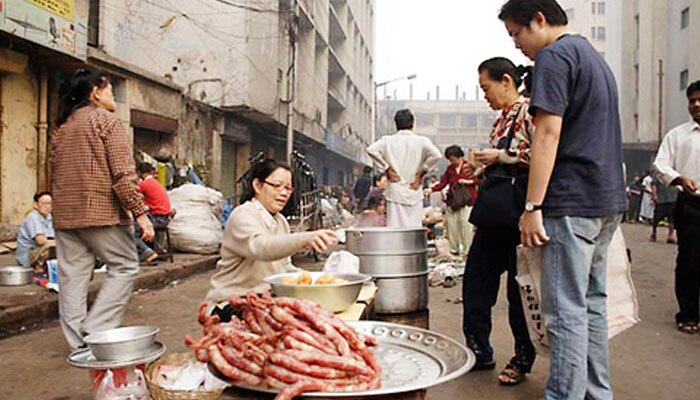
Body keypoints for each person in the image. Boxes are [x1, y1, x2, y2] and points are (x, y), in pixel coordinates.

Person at [499, 1, 627, 398]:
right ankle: (596, 394)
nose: (517, 45)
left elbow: (548, 134)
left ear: (539, 20)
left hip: (570, 202)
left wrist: (532, 207)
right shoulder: (592, 57)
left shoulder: (554, 57)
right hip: (605, 200)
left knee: (565, 312)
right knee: (591, 305)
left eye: (517, 33)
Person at [51, 68, 154, 351]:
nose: (113, 96)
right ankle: (96, 332)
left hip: (65, 215)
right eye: (109, 89)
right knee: (125, 266)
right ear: (95, 92)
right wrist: (141, 213)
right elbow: (123, 175)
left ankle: (77, 344)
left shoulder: (62, 129)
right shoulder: (107, 122)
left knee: (72, 278)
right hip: (101, 212)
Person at [462, 57, 536, 385]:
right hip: (493, 216)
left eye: (486, 88)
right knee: (476, 282)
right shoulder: (500, 121)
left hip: (520, 216)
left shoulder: (531, 111)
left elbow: (547, 154)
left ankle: (522, 358)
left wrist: (502, 156)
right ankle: (479, 350)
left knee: (518, 293)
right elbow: (499, 166)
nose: (485, 96)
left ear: (507, 81)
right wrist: (478, 168)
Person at [206, 159, 337, 321]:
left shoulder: (280, 221)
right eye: (277, 186)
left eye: (288, 188)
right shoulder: (243, 214)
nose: (283, 193)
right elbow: (262, 247)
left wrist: (317, 280)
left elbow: (284, 268)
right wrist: (304, 239)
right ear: (257, 186)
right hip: (232, 305)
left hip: (265, 301)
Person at [653, 79, 700, 334]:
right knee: (690, 260)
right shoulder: (677, 135)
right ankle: (689, 314)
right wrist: (679, 178)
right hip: (690, 205)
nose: (696, 104)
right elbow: (661, 165)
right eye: (692, 100)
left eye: (699, 99)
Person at [367, 109, 442, 228]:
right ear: (412, 124)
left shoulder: (388, 141)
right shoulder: (421, 141)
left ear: (396, 124)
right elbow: (437, 155)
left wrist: (387, 169)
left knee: (395, 230)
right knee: (413, 230)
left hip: (395, 191)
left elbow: (371, 150)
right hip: (414, 190)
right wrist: (421, 173)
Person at [427, 145, 477, 255]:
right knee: (452, 225)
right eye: (450, 159)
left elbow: (480, 180)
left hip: (467, 200)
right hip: (453, 201)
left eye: (453, 159)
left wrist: (469, 182)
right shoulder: (450, 169)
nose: (452, 161)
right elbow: (443, 182)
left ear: (460, 157)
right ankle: (453, 249)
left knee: (465, 225)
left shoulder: (469, 167)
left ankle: (467, 250)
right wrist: (431, 189)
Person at [135, 162, 174, 263]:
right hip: (165, 217)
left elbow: (132, 194)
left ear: (139, 173)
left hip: (158, 218)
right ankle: (157, 249)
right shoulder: (156, 183)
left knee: (130, 231)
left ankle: (147, 252)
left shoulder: (144, 184)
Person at [16, 192, 56, 274]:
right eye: (44, 204)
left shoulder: (49, 216)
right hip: (28, 256)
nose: (48, 207)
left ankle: (48, 267)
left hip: (38, 251)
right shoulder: (33, 217)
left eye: (50, 204)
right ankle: (38, 267)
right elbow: (40, 241)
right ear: (36, 205)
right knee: (51, 245)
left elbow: (52, 236)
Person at [650, 172, 677, 243]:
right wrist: (654, 195)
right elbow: (654, 184)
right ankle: (654, 233)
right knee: (656, 218)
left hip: (673, 198)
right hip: (661, 199)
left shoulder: (674, 170)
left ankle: (670, 235)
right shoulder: (657, 172)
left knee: (672, 218)